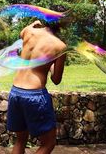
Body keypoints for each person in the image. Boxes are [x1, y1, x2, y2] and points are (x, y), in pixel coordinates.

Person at [7, 20, 67, 154]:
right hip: (34, 95)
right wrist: (50, 65)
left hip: (16, 92)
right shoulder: (60, 46)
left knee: (20, 141)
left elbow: (21, 33)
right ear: (63, 26)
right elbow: (56, 79)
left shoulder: (29, 31)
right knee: (48, 143)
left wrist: (32, 24)